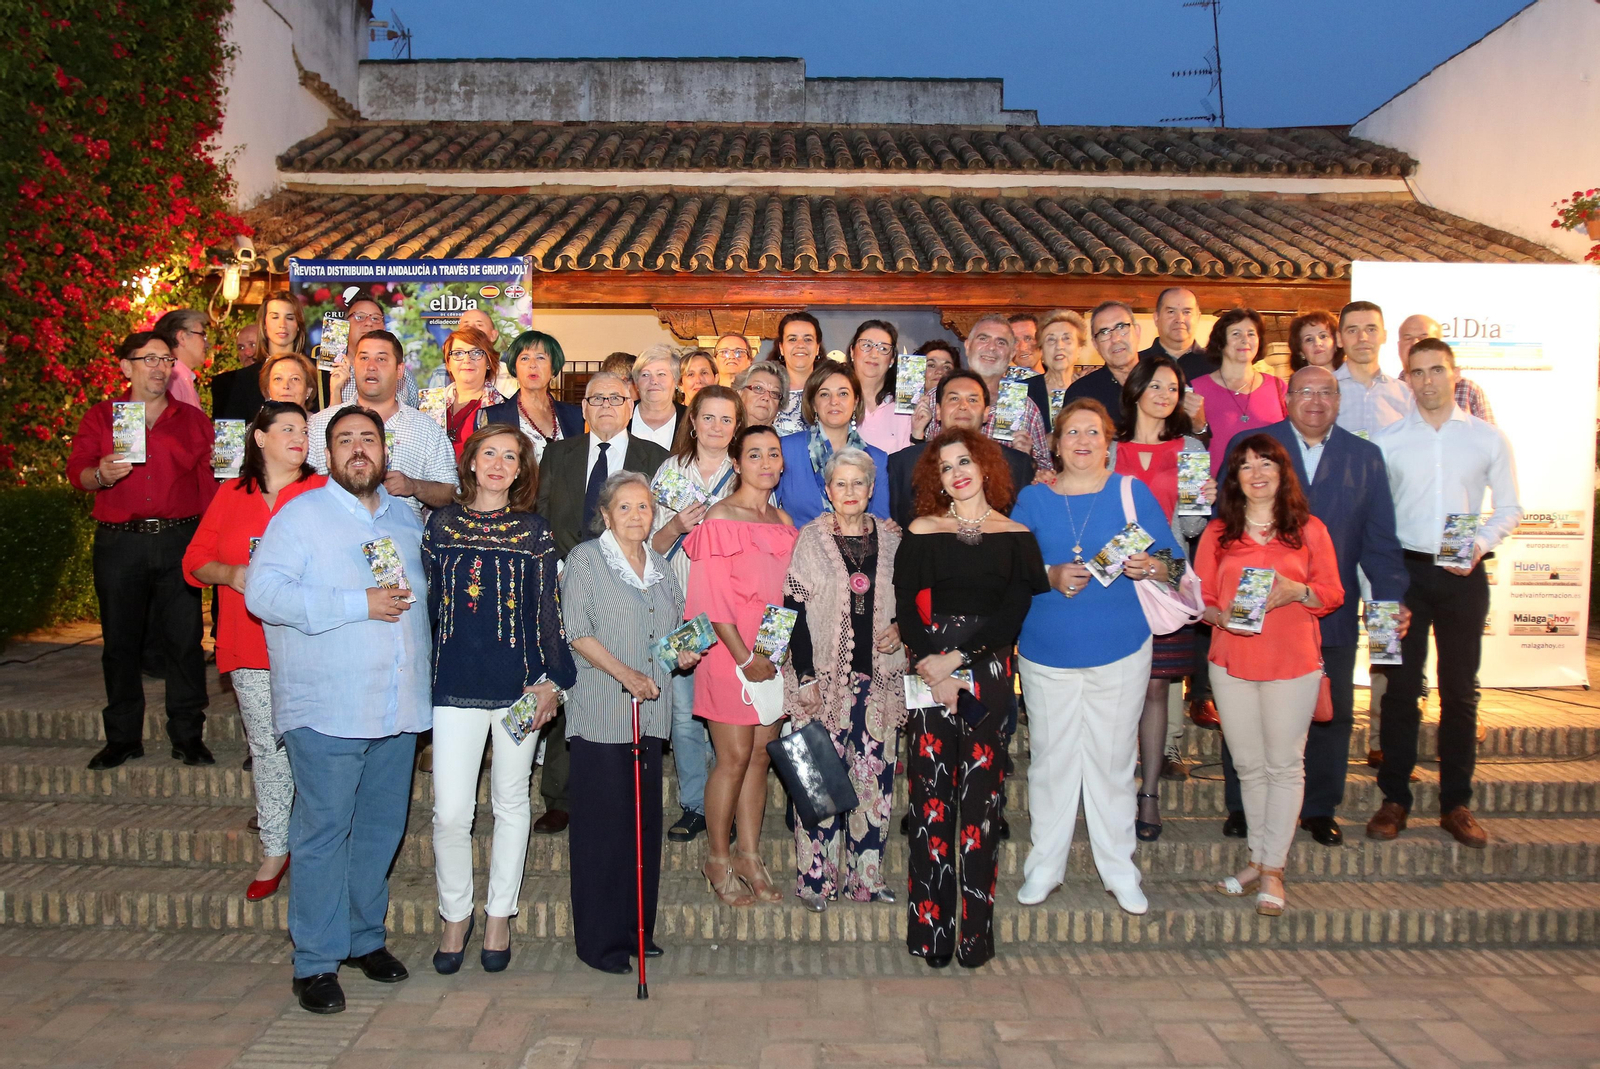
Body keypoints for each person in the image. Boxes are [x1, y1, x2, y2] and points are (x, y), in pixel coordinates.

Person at [245, 406, 431, 1014]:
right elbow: (264, 594)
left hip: (396, 706)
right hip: (327, 706)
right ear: (327, 455)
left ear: (384, 452)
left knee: (380, 832)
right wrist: (358, 603)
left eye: (368, 440)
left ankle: (362, 939)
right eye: (345, 440)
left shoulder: (406, 518)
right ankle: (316, 962)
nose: (358, 449)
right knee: (324, 832)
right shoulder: (300, 516)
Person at [1216, 366, 1408, 846]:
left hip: (1330, 606)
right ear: (1287, 399)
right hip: (1257, 611)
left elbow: (1380, 542)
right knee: (1246, 710)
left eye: (1327, 392)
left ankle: (1320, 807)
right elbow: (1226, 518)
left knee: (1331, 710)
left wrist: (1388, 602)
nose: (1316, 401)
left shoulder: (1364, 457)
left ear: (1339, 401)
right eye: (1305, 391)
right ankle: (1243, 806)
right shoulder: (1256, 446)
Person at [1012, 400, 1181, 914]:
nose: (1082, 440)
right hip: (1045, 650)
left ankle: (1119, 869)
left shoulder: (1131, 492)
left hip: (1120, 646)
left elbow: (1174, 564)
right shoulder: (1033, 500)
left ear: (1109, 441)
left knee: (1111, 763)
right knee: (1050, 761)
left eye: (1093, 431)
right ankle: (1045, 867)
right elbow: (1010, 569)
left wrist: (1150, 564)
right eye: (1071, 432)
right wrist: (1050, 575)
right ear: (1056, 443)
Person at [423, 423, 576, 975]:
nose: (497, 463)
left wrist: (551, 682)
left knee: (511, 804)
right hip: (456, 689)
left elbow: (548, 615)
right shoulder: (439, 527)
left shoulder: (534, 533)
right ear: (470, 462)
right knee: (449, 813)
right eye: (489, 452)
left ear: (520, 472)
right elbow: (430, 610)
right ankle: (454, 917)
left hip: (519, 692)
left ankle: (498, 917)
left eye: (510, 456)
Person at [897, 428, 1046, 968]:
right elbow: (907, 610)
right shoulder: (922, 530)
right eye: (943, 467)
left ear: (985, 466)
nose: (956, 472)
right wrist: (932, 667)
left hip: (986, 673)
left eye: (964, 461)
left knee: (980, 811)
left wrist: (954, 663)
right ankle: (931, 932)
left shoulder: (1016, 535)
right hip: (929, 671)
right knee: (930, 805)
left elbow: (1012, 616)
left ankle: (975, 936)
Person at [1368, 338, 1520, 850]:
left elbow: (1510, 509)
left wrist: (1477, 545)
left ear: (1455, 374)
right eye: (1417, 371)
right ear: (1406, 378)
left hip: (1462, 577)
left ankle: (1457, 803)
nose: (1428, 380)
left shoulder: (1487, 439)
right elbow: (1376, 522)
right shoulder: (1386, 442)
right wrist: (1380, 589)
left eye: (1437, 370)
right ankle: (1394, 800)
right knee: (1398, 692)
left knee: (1460, 693)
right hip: (1400, 576)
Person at [182, 401, 325, 899]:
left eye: (304, 430)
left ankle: (315, 845)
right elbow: (195, 560)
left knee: (314, 750)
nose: (298, 437)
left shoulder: (321, 492)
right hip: (249, 644)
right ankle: (274, 848)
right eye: (287, 428)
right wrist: (233, 574)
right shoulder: (231, 493)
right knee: (266, 750)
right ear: (259, 438)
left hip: (312, 646)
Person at [1196, 433, 1342, 917]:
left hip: (1291, 661)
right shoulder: (1219, 533)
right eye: (1245, 466)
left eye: (1267, 464)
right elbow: (1203, 600)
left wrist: (1296, 591)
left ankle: (1274, 867)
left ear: (1283, 474)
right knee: (1248, 766)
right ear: (1233, 478)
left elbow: (1331, 593)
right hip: (1232, 662)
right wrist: (1220, 615)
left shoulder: (1309, 530)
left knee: (1284, 764)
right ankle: (1258, 859)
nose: (1256, 474)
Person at [561, 472, 698, 972]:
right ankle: (600, 942)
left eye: (645, 507)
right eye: (626, 507)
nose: (637, 515)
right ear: (605, 513)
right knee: (604, 833)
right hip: (602, 714)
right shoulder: (586, 561)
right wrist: (628, 675)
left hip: (650, 716)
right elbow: (576, 632)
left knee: (641, 828)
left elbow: (669, 637)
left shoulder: (661, 567)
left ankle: (637, 929)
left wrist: (681, 654)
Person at [68, 332, 217, 771]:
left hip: (179, 538)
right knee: (120, 642)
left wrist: (214, 537)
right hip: (121, 541)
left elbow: (209, 485)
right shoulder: (102, 418)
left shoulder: (192, 420)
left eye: (166, 359)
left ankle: (188, 734)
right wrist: (100, 473)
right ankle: (122, 738)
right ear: (125, 367)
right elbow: (77, 471)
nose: (159, 367)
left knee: (185, 641)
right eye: (149, 359)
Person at [533, 371, 670, 833]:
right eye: (596, 398)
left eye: (616, 397)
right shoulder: (559, 452)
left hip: (634, 583)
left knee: (622, 671)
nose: (607, 405)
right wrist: (567, 565)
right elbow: (543, 513)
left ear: (631, 406)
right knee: (568, 674)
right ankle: (560, 794)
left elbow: (656, 522)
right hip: (564, 578)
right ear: (584, 408)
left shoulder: (655, 457)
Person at [782, 448, 906, 911]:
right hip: (823, 680)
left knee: (874, 783)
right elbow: (792, 609)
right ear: (827, 490)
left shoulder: (893, 540)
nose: (850, 492)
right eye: (841, 484)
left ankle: (866, 880)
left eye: (859, 484)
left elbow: (911, 599)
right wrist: (807, 675)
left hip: (878, 681)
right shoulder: (810, 539)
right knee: (818, 782)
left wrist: (904, 630)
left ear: (872, 489)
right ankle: (816, 881)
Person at [683, 425, 799, 907]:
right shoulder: (719, 518)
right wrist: (745, 657)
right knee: (731, 758)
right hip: (729, 651)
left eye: (773, 453)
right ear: (737, 462)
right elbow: (709, 604)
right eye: (755, 454)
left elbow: (789, 595)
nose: (767, 462)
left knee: (759, 757)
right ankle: (717, 857)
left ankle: (749, 855)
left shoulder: (783, 519)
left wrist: (776, 651)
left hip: (771, 654)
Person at [1111, 357, 1214, 827]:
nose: (1164, 394)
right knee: (1114, 690)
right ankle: (1112, 788)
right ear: (1134, 391)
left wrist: (1204, 498)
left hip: (1166, 576)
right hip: (1112, 579)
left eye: (1172, 387)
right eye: (1154, 385)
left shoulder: (1191, 448)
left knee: (1156, 689)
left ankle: (1148, 793)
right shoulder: (1109, 448)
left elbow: (1191, 526)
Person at [650, 385, 744, 843]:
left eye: (727, 420)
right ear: (693, 421)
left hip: (731, 617)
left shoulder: (745, 474)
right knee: (685, 715)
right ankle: (694, 804)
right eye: (708, 418)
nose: (717, 427)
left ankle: (723, 801)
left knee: (725, 715)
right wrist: (675, 525)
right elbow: (647, 546)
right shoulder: (670, 471)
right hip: (681, 612)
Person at [307, 330, 458, 518]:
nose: (371, 367)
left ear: (400, 370)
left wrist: (413, 486)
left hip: (402, 539)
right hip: (333, 536)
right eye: (363, 358)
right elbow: (303, 487)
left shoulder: (426, 428)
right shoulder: (321, 423)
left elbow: (451, 493)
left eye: (381, 359)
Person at [888, 370, 1033, 530]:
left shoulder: (1017, 464)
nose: (963, 406)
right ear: (937, 411)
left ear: (986, 414)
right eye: (954, 398)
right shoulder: (904, 462)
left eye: (972, 400)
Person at [776, 363, 890, 528]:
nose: (834, 401)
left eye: (843, 394)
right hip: (797, 549)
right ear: (814, 404)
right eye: (824, 395)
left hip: (859, 551)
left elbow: (881, 523)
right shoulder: (785, 450)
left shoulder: (877, 459)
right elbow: (767, 512)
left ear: (856, 401)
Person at [944, 314, 1052, 474]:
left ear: (1011, 353)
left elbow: (1047, 473)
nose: (992, 347)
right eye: (983, 339)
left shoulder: (1026, 408)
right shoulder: (936, 398)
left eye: (1001, 342)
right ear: (967, 346)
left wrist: (1028, 460)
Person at [1190, 308, 1286, 477]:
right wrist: (1196, 500)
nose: (1245, 340)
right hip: (1217, 496)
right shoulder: (1196, 390)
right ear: (1220, 343)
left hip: (1269, 493)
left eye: (1251, 334)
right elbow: (1188, 450)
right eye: (1236, 334)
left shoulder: (1278, 387)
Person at [477, 330, 586, 464]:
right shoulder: (494, 417)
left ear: (553, 370)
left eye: (540, 357)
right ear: (515, 369)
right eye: (524, 358)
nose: (532, 364)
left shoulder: (576, 416)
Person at [329, 293, 421, 408]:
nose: (368, 323)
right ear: (345, 325)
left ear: (384, 327)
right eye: (360, 317)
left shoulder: (402, 374)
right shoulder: (328, 371)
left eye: (375, 318)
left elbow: (414, 414)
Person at [1397, 314, 1495, 423]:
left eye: (1423, 337)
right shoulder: (1387, 392)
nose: (1415, 343)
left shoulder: (1468, 390)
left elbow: (1488, 434)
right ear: (1398, 345)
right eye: (1408, 338)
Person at [1335, 301, 1413, 437]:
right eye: (1352, 330)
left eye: (1371, 329)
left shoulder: (1406, 395)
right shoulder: (1323, 392)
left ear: (1384, 336)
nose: (1362, 338)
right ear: (1339, 338)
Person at [1065, 301, 1146, 418]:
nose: (1115, 339)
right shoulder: (1082, 393)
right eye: (1104, 332)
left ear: (1137, 332)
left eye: (1121, 327)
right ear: (1095, 344)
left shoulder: (1160, 379)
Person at [435, 326, 505, 459]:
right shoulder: (430, 405)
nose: (467, 360)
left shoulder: (503, 410)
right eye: (458, 353)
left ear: (489, 362)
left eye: (476, 353)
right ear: (448, 364)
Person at [847, 319, 913, 454]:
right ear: (852, 351)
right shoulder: (838, 400)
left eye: (883, 348)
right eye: (866, 345)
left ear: (892, 359)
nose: (873, 354)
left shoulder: (905, 404)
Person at [1141, 286, 1218, 386]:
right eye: (1171, 312)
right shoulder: (1138, 363)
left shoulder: (1216, 365)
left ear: (1198, 318)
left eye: (1187, 312)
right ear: (1156, 318)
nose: (1179, 319)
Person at [772, 312, 822, 435]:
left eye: (808, 339)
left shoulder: (831, 391)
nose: (800, 345)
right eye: (792, 339)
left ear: (817, 348)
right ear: (782, 348)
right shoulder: (769, 392)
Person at [629, 344, 686, 449]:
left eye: (661, 374)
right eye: (645, 375)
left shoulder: (691, 419)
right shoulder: (621, 416)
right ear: (636, 383)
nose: (653, 381)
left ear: (676, 380)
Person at [151, 308, 209, 410]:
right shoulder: (172, 381)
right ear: (181, 337)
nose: (207, 344)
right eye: (202, 335)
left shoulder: (183, 379)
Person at [1037, 309, 1088, 424]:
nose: (1059, 346)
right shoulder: (1025, 391)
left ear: (1079, 349)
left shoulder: (1090, 390)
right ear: (1041, 351)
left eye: (1067, 338)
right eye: (1051, 339)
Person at [210, 324, 264, 421]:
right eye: (241, 348)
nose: (247, 353)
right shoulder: (226, 385)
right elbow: (228, 434)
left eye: (252, 345)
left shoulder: (280, 381)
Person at [733, 361, 789, 428]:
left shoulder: (787, 438)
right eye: (758, 388)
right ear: (739, 392)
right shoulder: (720, 435)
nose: (766, 397)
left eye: (774, 393)